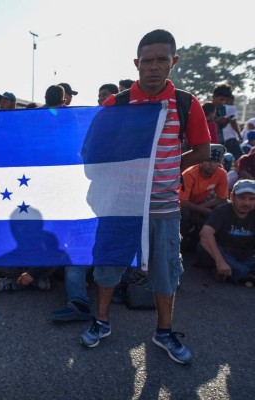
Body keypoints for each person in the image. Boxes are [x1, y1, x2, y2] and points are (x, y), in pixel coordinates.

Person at [80, 29, 210, 365]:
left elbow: (203, 150)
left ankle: (164, 332)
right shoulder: (118, 103)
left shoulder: (185, 102)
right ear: (137, 63)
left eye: (161, 60)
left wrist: (165, 167)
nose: (154, 67)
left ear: (173, 62)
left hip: (164, 206)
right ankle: (102, 321)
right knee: (108, 265)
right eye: (147, 61)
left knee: (166, 271)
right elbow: (91, 150)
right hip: (121, 206)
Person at [198, 179, 255, 285]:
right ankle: (243, 273)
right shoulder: (222, 210)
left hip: (245, 254)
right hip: (222, 252)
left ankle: (232, 272)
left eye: (252, 199)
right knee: (205, 246)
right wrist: (220, 262)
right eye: (242, 198)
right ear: (232, 197)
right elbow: (205, 234)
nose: (247, 203)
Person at [180, 144, 229, 250]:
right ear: (201, 161)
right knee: (183, 213)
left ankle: (217, 243)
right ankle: (181, 242)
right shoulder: (189, 173)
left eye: (215, 162)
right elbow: (183, 201)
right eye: (208, 161)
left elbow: (223, 198)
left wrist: (203, 206)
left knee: (226, 208)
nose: (211, 165)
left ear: (220, 162)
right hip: (184, 205)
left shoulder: (222, 174)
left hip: (202, 203)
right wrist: (203, 210)